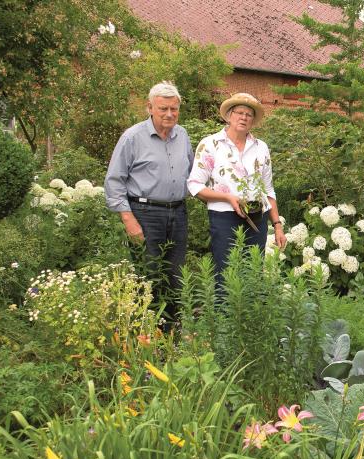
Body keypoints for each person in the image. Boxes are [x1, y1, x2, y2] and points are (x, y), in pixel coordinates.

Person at [104, 81, 194, 321]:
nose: (169, 114)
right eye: (163, 108)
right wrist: (128, 218)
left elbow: (194, 174)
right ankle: (145, 332)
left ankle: (172, 331)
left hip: (178, 214)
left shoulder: (183, 135)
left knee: (176, 275)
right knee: (148, 275)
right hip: (145, 213)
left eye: (174, 109)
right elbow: (114, 181)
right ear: (150, 107)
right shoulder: (132, 137)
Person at [187, 93, 287, 279]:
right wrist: (228, 198)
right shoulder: (210, 145)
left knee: (253, 273)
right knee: (226, 275)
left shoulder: (261, 147)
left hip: (257, 218)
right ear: (229, 115)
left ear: (253, 120)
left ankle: (249, 308)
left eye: (249, 114)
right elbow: (195, 185)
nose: (244, 117)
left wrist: (277, 225)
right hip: (224, 218)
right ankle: (222, 309)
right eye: (239, 112)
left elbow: (268, 189)